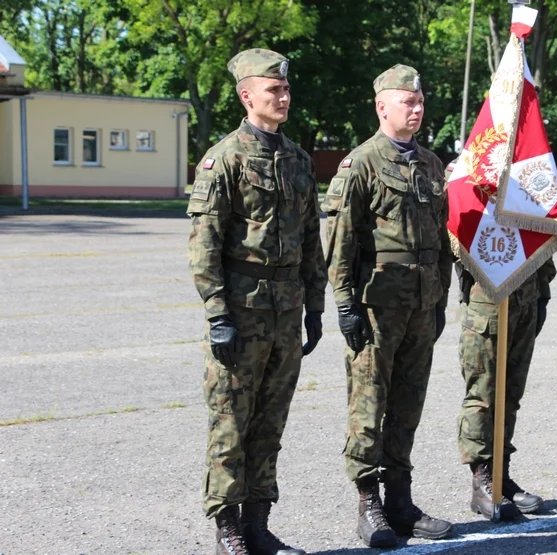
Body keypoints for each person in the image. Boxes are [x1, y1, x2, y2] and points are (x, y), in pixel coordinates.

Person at [187, 48, 326, 555]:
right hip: (241, 312)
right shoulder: (224, 158)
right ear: (248, 96)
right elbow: (204, 244)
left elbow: (312, 238)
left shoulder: (298, 159)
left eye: (286, 90)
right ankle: (227, 528)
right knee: (230, 422)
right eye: (275, 90)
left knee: (271, 422)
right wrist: (217, 312)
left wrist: (314, 305)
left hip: (286, 310)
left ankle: (258, 523)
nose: (284, 97)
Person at [322, 64, 454, 548]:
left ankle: (400, 499)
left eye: (420, 102)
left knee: (407, 404)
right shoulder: (361, 163)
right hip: (376, 306)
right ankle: (368, 504)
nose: (416, 109)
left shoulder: (432, 164)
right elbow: (340, 241)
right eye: (407, 102)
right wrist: (344, 304)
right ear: (382, 107)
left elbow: (442, 237)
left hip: (421, 304)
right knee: (369, 406)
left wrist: (440, 294)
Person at [454, 237, 556, 519]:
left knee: (510, 395)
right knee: (484, 394)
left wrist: (543, 290)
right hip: (488, 298)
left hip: (527, 297)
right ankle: (483, 481)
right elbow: (457, 234)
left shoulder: (526, 192)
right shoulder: (472, 190)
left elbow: (542, 233)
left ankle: (502, 475)